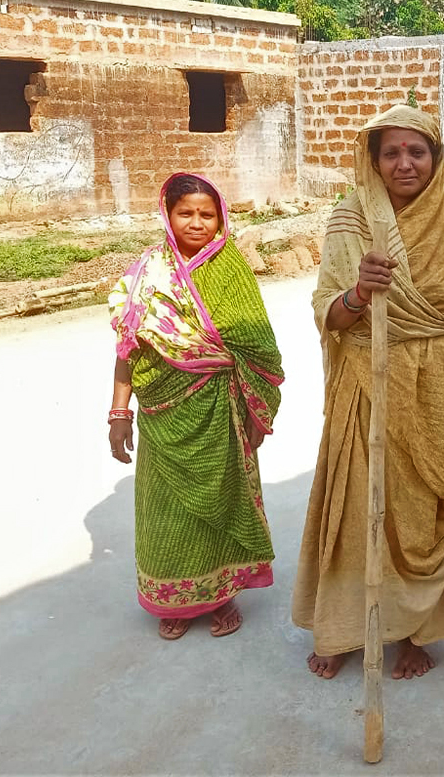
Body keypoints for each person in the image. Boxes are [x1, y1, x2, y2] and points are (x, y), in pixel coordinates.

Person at [292, 104, 444, 680]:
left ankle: (416, 631)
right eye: (392, 152)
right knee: (358, 509)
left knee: (424, 513)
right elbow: (326, 313)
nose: (404, 163)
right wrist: (359, 293)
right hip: (366, 381)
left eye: (417, 151)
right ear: (374, 159)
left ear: (435, 159)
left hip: (440, 386)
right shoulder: (351, 216)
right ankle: (341, 627)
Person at [108, 173, 284, 640]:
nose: (197, 223)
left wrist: (255, 412)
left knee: (224, 505)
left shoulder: (231, 270)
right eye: (185, 212)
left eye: (207, 214)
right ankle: (175, 600)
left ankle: (222, 595)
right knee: (165, 511)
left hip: (219, 410)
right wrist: (118, 414)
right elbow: (129, 347)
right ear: (166, 214)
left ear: (220, 216)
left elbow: (258, 346)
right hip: (162, 414)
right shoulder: (149, 272)